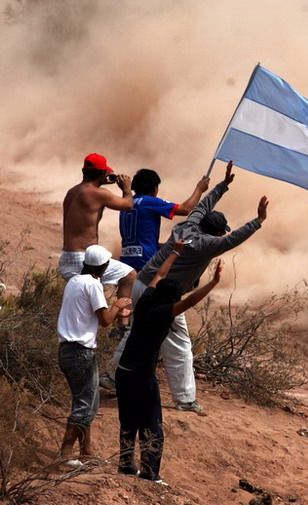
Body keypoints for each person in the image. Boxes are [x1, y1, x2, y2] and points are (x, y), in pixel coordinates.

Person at [108, 160, 268, 413]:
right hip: (161, 295)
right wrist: (258, 220)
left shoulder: (188, 225)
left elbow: (203, 205)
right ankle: (184, 399)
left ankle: (110, 376)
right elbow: (233, 238)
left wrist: (223, 185)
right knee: (179, 345)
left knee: (136, 333)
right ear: (216, 234)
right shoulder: (207, 244)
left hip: (143, 281)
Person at [116, 241, 222, 485]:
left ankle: (125, 464)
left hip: (124, 372)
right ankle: (150, 473)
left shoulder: (146, 300)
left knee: (128, 421)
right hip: (142, 376)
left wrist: (175, 251)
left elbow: (159, 274)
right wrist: (214, 283)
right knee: (152, 424)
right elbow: (191, 301)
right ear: (171, 300)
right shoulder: (163, 312)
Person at [56, 245, 131, 467]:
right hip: (81, 352)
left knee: (85, 400)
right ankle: (65, 454)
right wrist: (118, 305)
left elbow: (89, 313)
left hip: (67, 350)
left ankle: (86, 451)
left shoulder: (74, 282)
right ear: (104, 267)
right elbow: (105, 320)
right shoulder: (93, 284)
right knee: (85, 404)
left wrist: (118, 310)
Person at [59, 153, 136, 328]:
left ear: (83, 171)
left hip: (67, 257)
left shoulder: (72, 192)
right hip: (85, 258)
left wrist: (101, 179)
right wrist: (126, 187)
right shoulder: (98, 193)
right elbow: (128, 204)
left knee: (82, 303)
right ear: (103, 173)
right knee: (129, 275)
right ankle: (122, 324)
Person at [119, 169, 210, 271]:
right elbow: (185, 209)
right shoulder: (149, 201)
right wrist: (199, 189)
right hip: (145, 260)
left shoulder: (126, 204)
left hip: (126, 260)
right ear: (154, 188)